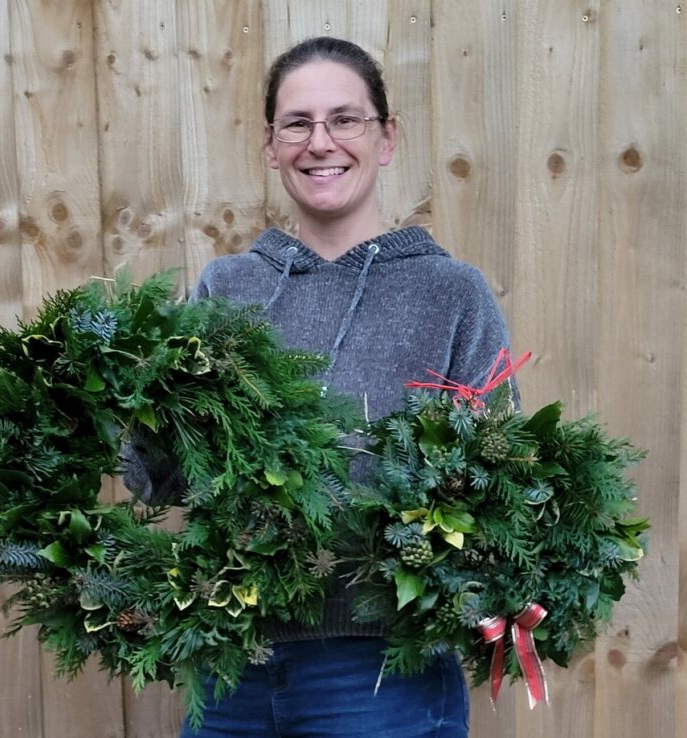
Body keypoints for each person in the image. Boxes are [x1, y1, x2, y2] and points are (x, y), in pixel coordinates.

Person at [124, 36, 519, 738]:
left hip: (382, 676)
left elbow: (503, 483)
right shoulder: (226, 290)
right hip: (231, 669)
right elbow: (160, 478)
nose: (320, 142)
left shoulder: (450, 295)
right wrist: (126, 403)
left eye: (345, 119)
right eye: (297, 124)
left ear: (386, 137)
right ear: (270, 146)